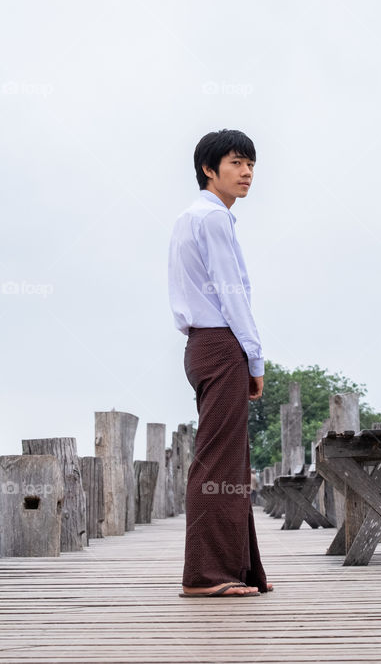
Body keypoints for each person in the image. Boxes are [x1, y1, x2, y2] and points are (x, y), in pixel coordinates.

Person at [168, 129, 273, 598]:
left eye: (250, 163)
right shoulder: (212, 219)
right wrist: (254, 357)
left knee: (229, 461)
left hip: (201, 346)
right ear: (209, 170)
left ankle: (240, 568)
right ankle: (207, 575)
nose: (247, 172)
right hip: (221, 344)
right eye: (235, 163)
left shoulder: (188, 219)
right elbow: (233, 295)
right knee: (218, 464)